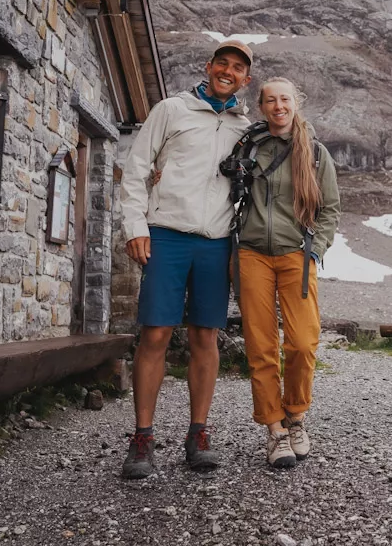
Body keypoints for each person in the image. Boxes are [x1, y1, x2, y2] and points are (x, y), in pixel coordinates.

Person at [117, 39, 255, 479]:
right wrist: (136, 228)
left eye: (237, 68)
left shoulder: (244, 127)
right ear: (209, 66)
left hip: (216, 242)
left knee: (204, 337)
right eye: (222, 63)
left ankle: (198, 434)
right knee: (155, 333)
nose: (227, 71)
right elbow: (137, 169)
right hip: (167, 236)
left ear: (245, 79)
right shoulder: (170, 109)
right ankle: (142, 438)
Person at [232, 77, 340, 468]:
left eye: (285, 99)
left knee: (303, 343)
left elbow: (329, 209)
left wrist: (316, 251)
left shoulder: (314, 153)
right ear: (261, 106)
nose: (279, 106)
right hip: (251, 254)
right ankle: (275, 430)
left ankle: (296, 414)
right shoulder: (249, 147)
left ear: (297, 103)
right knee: (261, 346)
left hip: (297, 254)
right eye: (271, 100)